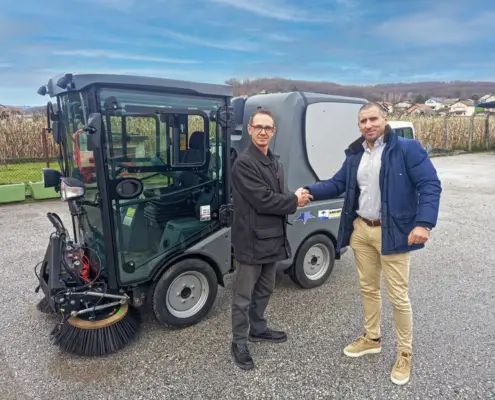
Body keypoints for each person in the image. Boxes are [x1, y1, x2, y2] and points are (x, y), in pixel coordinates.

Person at [299, 102, 442, 385]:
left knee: (398, 296)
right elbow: (337, 184)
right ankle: (372, 338)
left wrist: (424, 223)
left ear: (385, 119)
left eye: (373, 119)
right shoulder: (356, 155)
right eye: (363, 121)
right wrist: (308, 191)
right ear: (358, 125)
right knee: (368, 288)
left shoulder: (407, 149)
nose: (368, 125)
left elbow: (430, 185)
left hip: (394, 233)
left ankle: (404, 353)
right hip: (362, 231)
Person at [230, 108, 312, 370]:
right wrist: (293, 200)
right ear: (250, 129)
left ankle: (258, 329)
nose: (263, 132)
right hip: (251, 240)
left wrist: (294, 196)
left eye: (268, 128)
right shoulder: (244, 163)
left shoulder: (275, 163)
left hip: (272, 238)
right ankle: (239, 342)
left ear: (273, 131)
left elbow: (277, 193)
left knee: (265, 289)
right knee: (243, 297)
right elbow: (263, 199)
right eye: (259, 127)